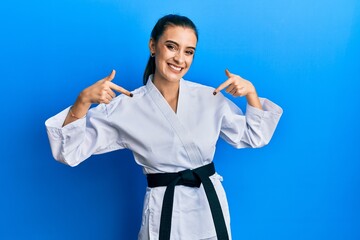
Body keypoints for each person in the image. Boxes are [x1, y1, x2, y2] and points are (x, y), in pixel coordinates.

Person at [45, 14, 283, 240]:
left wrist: (251, 93)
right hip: (165, 209)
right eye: (171, 46)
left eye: (188, 51)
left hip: (209, 206)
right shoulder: (126, 107)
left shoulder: (210, 97)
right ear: (152, 46)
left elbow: (255, 136)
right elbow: (69, 152)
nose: (180, 59)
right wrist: (83, 101)